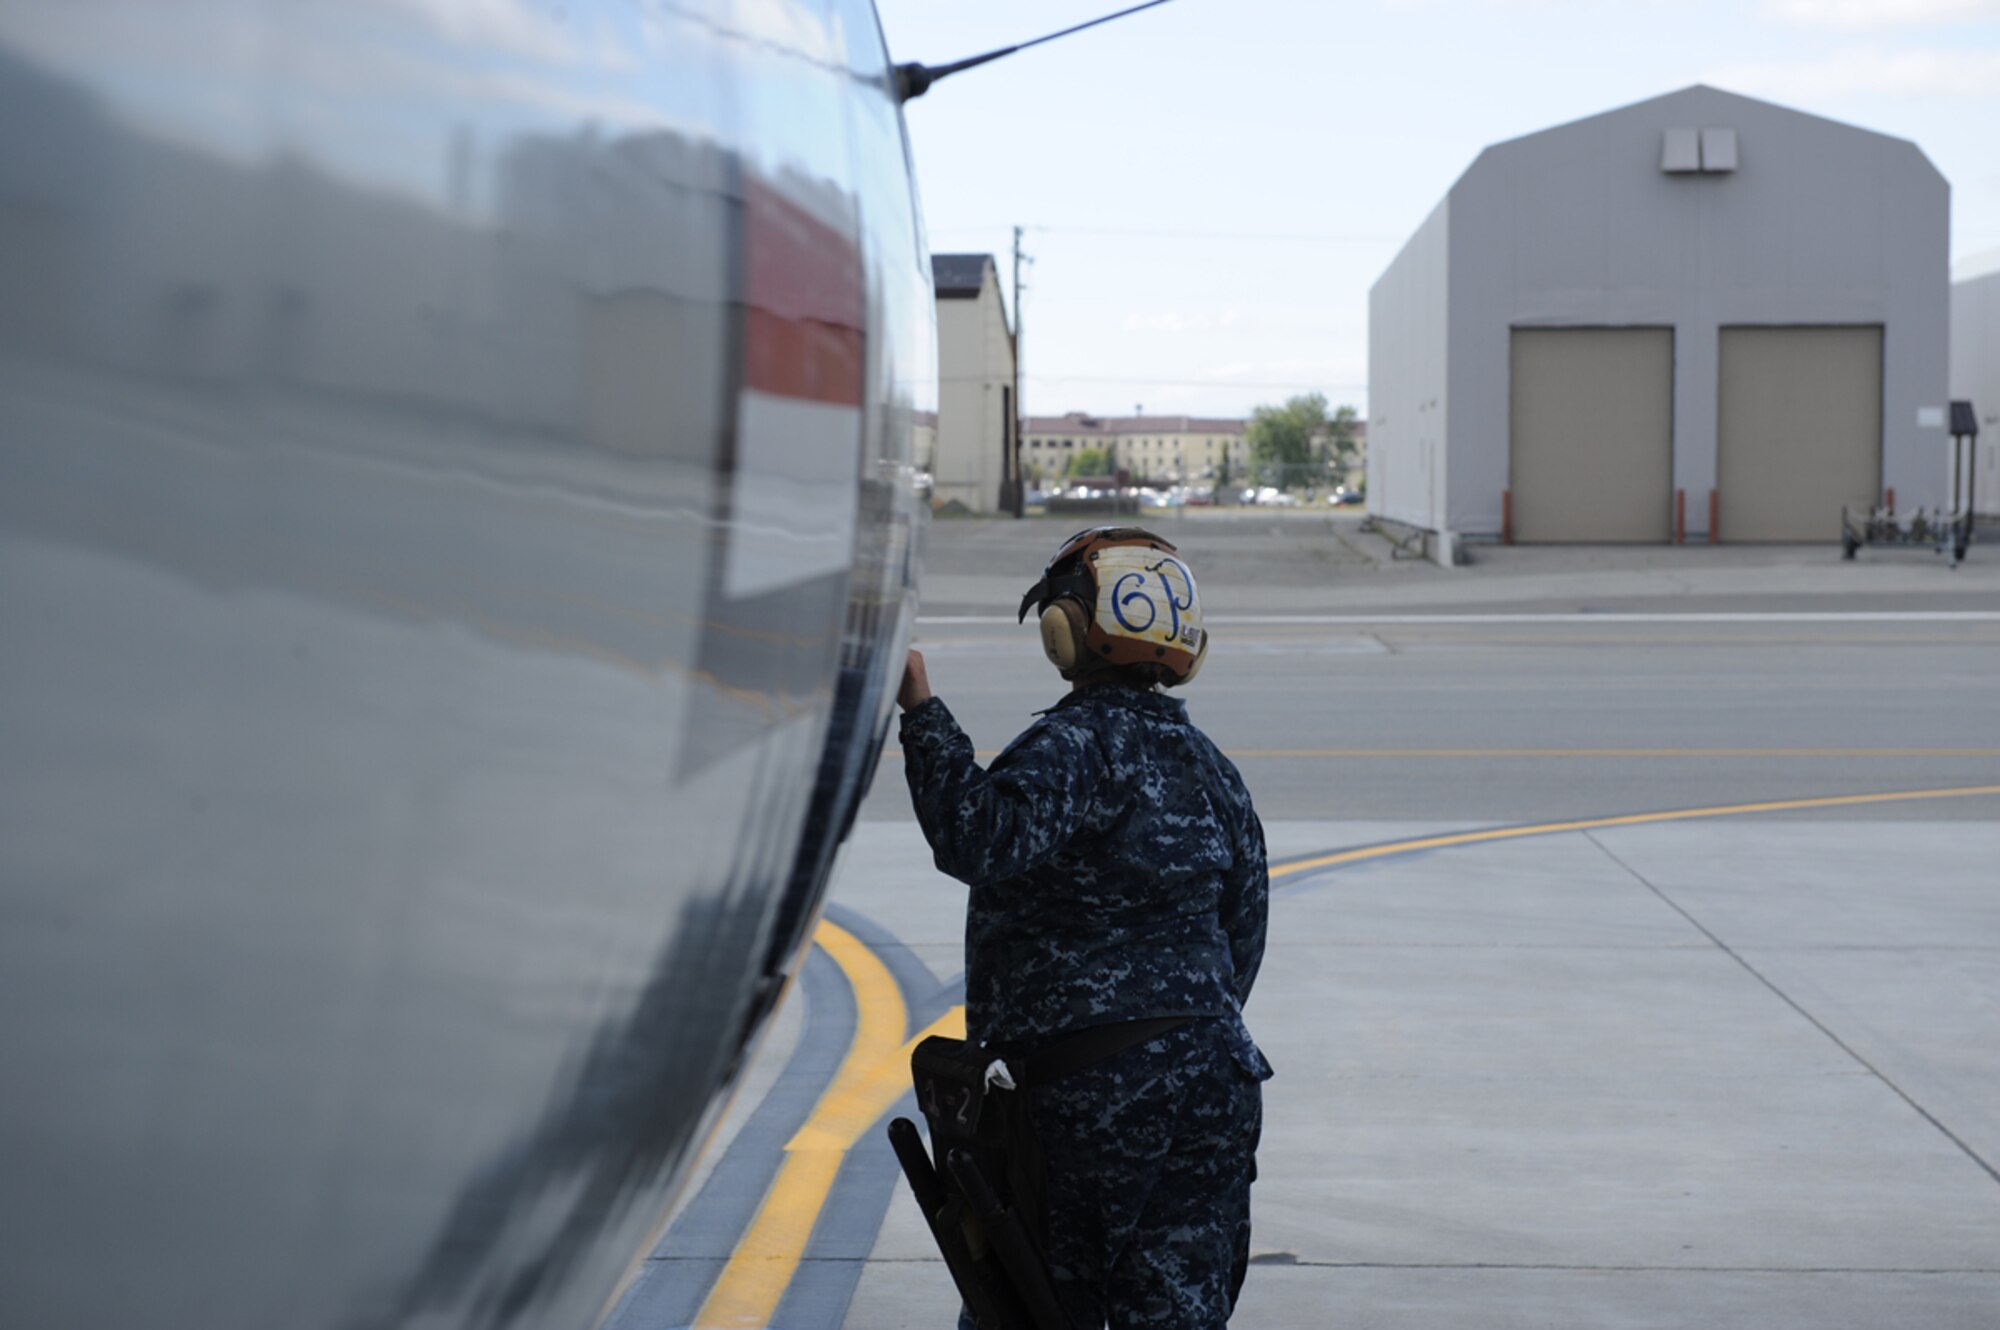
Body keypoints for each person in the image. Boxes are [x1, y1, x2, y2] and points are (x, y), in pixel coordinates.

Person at [897, 526, 1272, 1330]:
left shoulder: (1073, 747)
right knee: (1177, 1311)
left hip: (1087, 1095)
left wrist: (920, 711)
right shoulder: (1212, 768)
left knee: (1031, 1302)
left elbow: (977, 837)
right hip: (1215, 1079)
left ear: (1066, 629)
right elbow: (1244, 932)